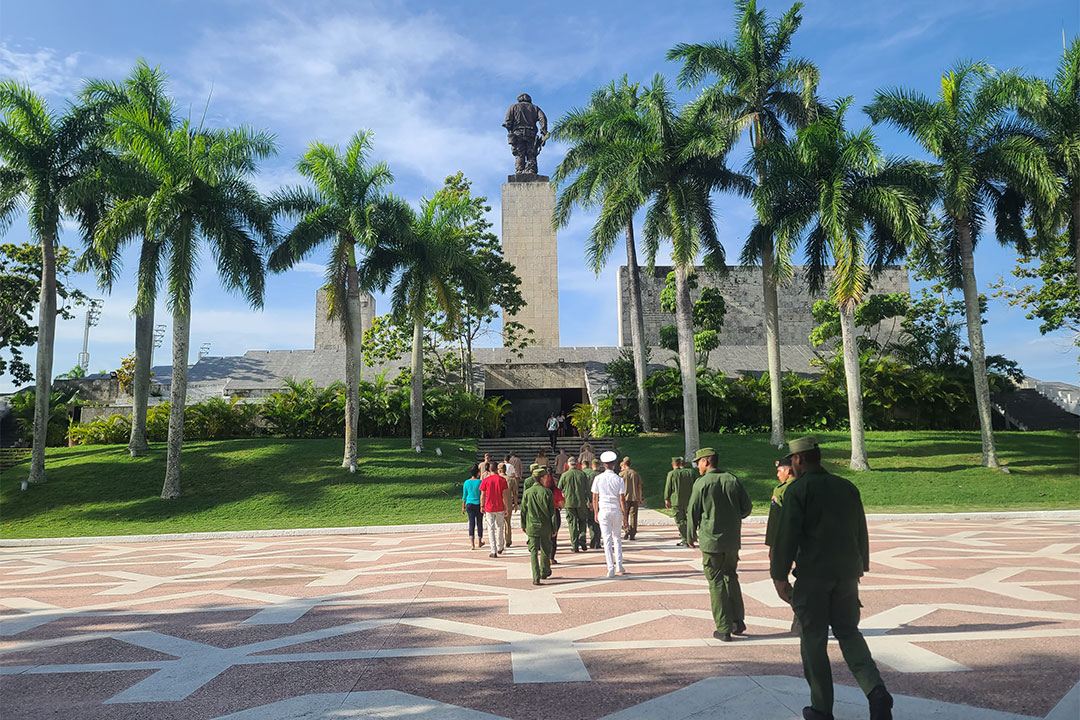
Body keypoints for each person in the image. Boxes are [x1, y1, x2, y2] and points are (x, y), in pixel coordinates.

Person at [771, 436, 893, 720]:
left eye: (793, 460)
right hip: (847, 576)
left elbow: (786, 537)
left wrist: (779, 576)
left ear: (799, 459)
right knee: (849, 633)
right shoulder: (846, 487)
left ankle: (821, 707)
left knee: (813, 640)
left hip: (813, 577)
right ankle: (876, 691)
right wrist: (860, 565)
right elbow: (860, 530)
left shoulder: (798, 491)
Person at [688, 447, 751, 643]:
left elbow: (693, 512)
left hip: (711, 541)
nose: (698, 466)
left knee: (715, 582)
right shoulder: (732, 479)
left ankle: (723, 628)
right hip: (732, 541)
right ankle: (738, 621)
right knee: (731, 577)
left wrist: (690, 535)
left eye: (699, 462)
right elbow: (746, 508)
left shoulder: (702, 483)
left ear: (706, 462)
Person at [591, 450, 628, 577]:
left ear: (603, 464)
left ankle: (610, 567)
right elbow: (622, 499)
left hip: (604, 509)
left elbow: (595, 497)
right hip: (615, 508)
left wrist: (596, 512)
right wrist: (625, 516)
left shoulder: (598, 478)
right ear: (614, 464)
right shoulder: (619, 479)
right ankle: (619, 564)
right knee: (617, 538)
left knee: (606, 539)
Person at [520, 466, 555, 584]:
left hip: (532, 526)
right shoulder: (547, 492)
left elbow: (523, 510)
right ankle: (544, 571)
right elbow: (552, 513)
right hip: (545, 526)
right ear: (542, 478)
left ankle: (535, 576)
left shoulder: (527, 493)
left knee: (533, 551)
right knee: (546, 549)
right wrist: (554, 527)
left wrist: (523, 524)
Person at [559, 457, 591, 552]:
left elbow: (559, 488)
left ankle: (575, 545)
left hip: (569, 502)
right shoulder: (582, 474)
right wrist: (589, 501)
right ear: (577, 464)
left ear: (568, 464)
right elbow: (587, 489)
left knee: (572, 523)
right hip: (581, 502)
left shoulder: (564, 475)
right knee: (582, 521)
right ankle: (582, 537)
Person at [479, 462, 509, 558]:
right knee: (500, 527)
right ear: (497, 469)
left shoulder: (486, 480)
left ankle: (493, 550)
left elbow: (482, 495)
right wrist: (507, 507)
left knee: (490, 529)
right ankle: (500, 546)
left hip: (489, 507)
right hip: (500, 506)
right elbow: (504, 495)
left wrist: (482, 506)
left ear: (489, 469)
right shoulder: (502, 480)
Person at [664, 456, 695, 547]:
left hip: (676, 501)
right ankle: (691, 538)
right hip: (689, 500)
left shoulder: (672, 474)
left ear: (673, 464)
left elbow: (668, 487)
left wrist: (666, 498)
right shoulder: (690, 473)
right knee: (689, 520)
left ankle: (685, 539)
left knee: (680, 521)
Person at [542, 470, 564, 563]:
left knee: (544, 536)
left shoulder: (542, 491)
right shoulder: (557, 491)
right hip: (555, 512)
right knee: (554, 536)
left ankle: (545, 557)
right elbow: (562, 504)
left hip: (544, 513)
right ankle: (551, 557)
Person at [619, 456, 643, 540]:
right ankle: (633, 533)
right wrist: (640, 497)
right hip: (634, 497)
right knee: (633, 516)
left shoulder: (621, 474)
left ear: (624, 465)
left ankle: (626, 529)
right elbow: (639, 486)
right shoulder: (635, 473)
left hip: (624, 498)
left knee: (624, 514)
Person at [462, 464, 484, 550]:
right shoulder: (480, 482)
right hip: (478, 503)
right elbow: (482, 494)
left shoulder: (466, 482)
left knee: (471, 523)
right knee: (479, 523)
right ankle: (479, 541)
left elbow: (464, 496)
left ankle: (472, 544)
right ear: (478, 473)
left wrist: (463, 507)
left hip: (469, 504)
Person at [500, 461, 518, 549]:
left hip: (498, 503)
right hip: (509, 503)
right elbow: (515, 493)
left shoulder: (496, 479)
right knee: (508, 523)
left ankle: (500, 541)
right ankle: (508, 540)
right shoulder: (511, 479)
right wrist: (516, 503)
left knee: (499, 524)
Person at [586, 459, 603, 549]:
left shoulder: (590, 476)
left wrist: (589, 501)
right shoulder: (602, 476)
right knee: (599, 522)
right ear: (599, 466)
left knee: (592, 521)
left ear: (592, 466)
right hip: (602, 501)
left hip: (593, 501)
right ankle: (598, 541)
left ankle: (593, 539)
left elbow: (588, 489)